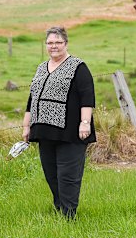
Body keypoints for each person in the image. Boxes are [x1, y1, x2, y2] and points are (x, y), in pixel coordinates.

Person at [22, 26, 96, 219]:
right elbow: (32, 98)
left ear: (66, 44)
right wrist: (26, 126)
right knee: (51, 173)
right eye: (50, 43)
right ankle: (59, 208)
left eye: (58, 42)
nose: (53, 46)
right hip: (44, 130)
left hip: (70, 130)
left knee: (68, 175)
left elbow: (87, 96)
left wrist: (85, 122)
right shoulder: (41, 67)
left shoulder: (78, 67)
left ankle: (69, 215)